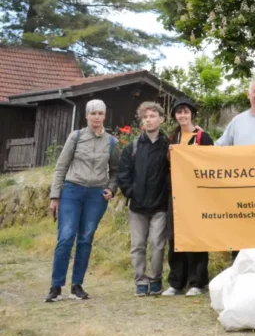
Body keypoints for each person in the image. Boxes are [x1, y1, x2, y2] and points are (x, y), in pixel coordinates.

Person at [44, 99, 119, 302]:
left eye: (100, 113)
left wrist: (111, 189)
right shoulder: (75, 137)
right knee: (66, 237)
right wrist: (54, 196)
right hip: (72, 191)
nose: (96, 117)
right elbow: (61, 167)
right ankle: (56, 286)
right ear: (86, 116)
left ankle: (77, 286)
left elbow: (116, 171)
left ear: (105, 116)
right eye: (92, 113)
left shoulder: (111, 142)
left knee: (85, 239)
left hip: (96, 196)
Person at [117, 102, 172, 297]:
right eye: (145, 117)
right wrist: (131, 192)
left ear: (161, 119)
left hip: (160, 205)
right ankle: (140, 281)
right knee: (138, 245)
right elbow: (123, 174)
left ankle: (156, 279)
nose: (148, 119)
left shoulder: (169, 146)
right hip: (137, 207)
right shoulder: (132, 147)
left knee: (157, 245)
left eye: (153, 116)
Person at [164, 98, 215, 297]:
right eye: (179, 113)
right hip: (175, 193)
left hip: (196, 193)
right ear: (175, 116)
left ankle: (198, 282)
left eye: (185, 112)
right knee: (175, 237)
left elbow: (211, 162)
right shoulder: (172, 138)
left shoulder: (203, 137)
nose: (182, 116)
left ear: (192, 114)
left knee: (196, 236)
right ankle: (176, 282)